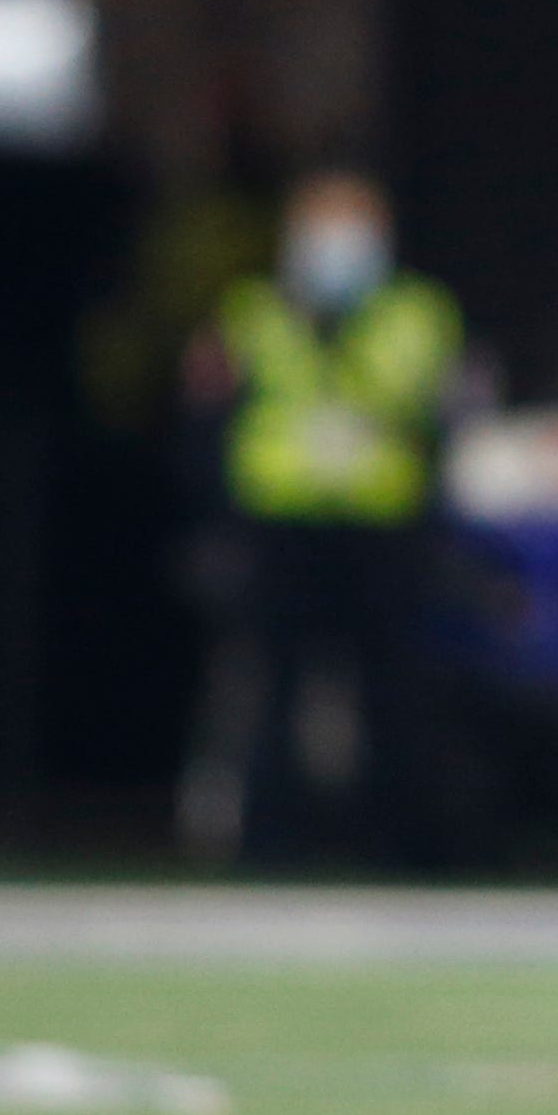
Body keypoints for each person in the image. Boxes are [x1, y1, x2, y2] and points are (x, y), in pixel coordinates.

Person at [179, 171, 474, 866]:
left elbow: (449, 418)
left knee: (396, 697)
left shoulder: (420, 313)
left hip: (385, 528)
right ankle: (267, 848)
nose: (337, 246)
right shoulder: (250, 312)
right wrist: (214, 523)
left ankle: (403, 850)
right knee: (274, 694)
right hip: (281, 527)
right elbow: (208, 420)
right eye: (324, 227)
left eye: (352, 227)